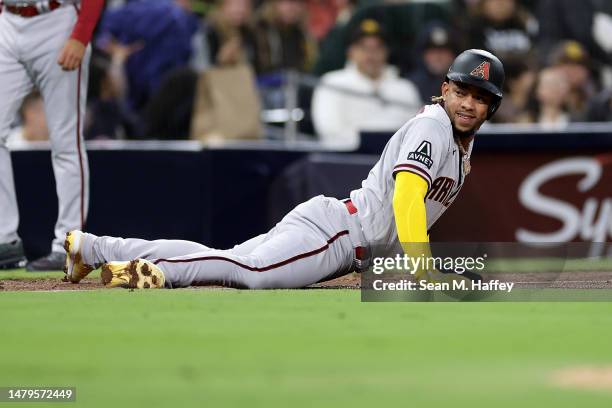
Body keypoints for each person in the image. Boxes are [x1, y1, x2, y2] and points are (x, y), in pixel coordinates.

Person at [63, 49, 505, 290]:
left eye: (481, 97)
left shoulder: (458, 141)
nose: (469, 102)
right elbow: (407, 196)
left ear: (491, 108)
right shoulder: (433, 125)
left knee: (232, 258)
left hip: (339, 228)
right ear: (444, 89)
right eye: (463, 91)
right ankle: (153, 272)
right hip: (339, 235)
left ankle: (95, 247)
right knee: (249, 273)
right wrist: (422, 266)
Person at [0, 0, 104, 271]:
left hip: (56, 21)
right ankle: (4, 241)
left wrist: (81, 36)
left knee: (66, 141)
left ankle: (68, 245)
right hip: (8, 20)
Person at [311, 19, 421, 150]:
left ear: (386, 52)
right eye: (363, 48)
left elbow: (418, 132)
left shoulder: (405, 88)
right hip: (346, 161)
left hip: (397, 162)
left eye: (377, 47)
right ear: (350, 52)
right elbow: (329, 131)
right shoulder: (331, 83)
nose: (371, 54)